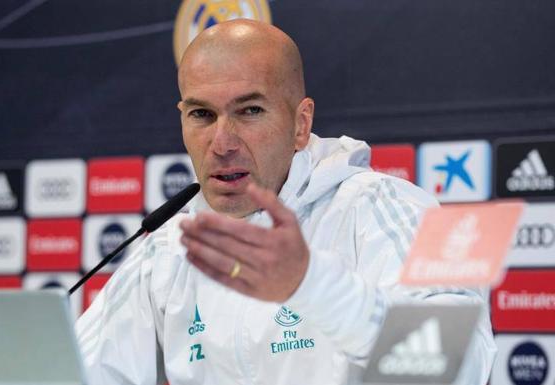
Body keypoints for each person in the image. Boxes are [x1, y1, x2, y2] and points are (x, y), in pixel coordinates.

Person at [76, 19, 496, 384]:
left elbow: (458, 369)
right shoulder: (170, 247)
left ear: (301, 123)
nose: (221, 144)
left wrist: (313, 284)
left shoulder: (391, 206)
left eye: (250, 111)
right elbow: (76, 373)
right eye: (202, 115)